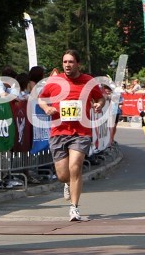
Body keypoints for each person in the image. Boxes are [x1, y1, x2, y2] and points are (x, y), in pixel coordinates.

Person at [37, 49, 105, 222]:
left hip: (81, 132)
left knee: (75, 167)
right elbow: (41, 98)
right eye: (65, 62)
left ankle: (74, 208)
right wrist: (46, 108)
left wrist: (98, 105)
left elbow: (100, 98)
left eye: (71, 62)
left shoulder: (88, 81)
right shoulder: (55, 81)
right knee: (62, 174)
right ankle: (67, 183)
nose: (67, 65)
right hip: (59, 131)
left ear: (78, 64)